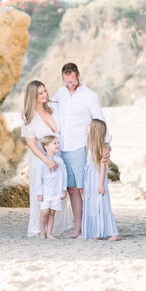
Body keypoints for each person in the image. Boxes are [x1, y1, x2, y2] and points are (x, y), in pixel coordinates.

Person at [52, 62, 111, 238]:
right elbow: (47, 108)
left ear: (78, 75)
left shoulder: (89, 96)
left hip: (80, 146)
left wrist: (107, 144)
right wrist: (28, 112)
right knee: (71, 189)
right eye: (66, 82)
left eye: (72, 81)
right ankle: (78, 229)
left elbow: (100, 120)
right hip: (63, 147)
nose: (69, 85)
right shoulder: (60, 93)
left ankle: (94, 227)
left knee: (86, 189)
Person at [21, 80, 73, 237]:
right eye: (40, 93)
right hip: (41, 159)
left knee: (59, 192)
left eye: (45, 91)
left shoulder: (54, 107)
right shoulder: (29, 117)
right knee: (42, 193)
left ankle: (54, 229)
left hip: (59, 156)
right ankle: (39, 229)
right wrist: (46, 160)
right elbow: (30, 142)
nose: (44, 95)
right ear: (33, 97)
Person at [82, 119, 121, 241]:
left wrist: (101, 185)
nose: (86, 126)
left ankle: (114, 233)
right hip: (90, 179)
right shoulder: (90, 144)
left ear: (94, 130)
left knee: (102, 204)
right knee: (93, 204)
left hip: (98, 179)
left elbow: (102, 167)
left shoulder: (100, 147)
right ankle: (97, 231)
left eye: (89, 125)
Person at [36, 135, 67, 239]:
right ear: (46, 147)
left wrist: (63, 189)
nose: (57, 145)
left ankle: (49, 233)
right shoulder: (42, 162)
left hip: (56, 192)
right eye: (54, 143)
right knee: (44, 212)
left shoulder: (60, 161)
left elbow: (64, 176)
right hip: (45, 193)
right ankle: (42, 232)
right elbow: (38, 179)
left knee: (52, 212)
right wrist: (39, 193)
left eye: (57, 143)